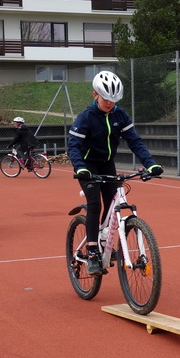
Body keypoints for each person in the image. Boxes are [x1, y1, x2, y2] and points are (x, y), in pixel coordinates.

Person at [68, 71, 163, 275]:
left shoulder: (120, 115)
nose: (110, 103)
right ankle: (93, 251)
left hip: (106, 164)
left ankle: (105, 239)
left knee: (114, 201)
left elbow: (135, 142)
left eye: (114, 100)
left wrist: (151, 164)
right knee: (95, 203)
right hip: (87, 166)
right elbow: (74, 146)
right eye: (106, 99)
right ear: (95, 95)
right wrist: (80, 167)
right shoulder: (86, 117)